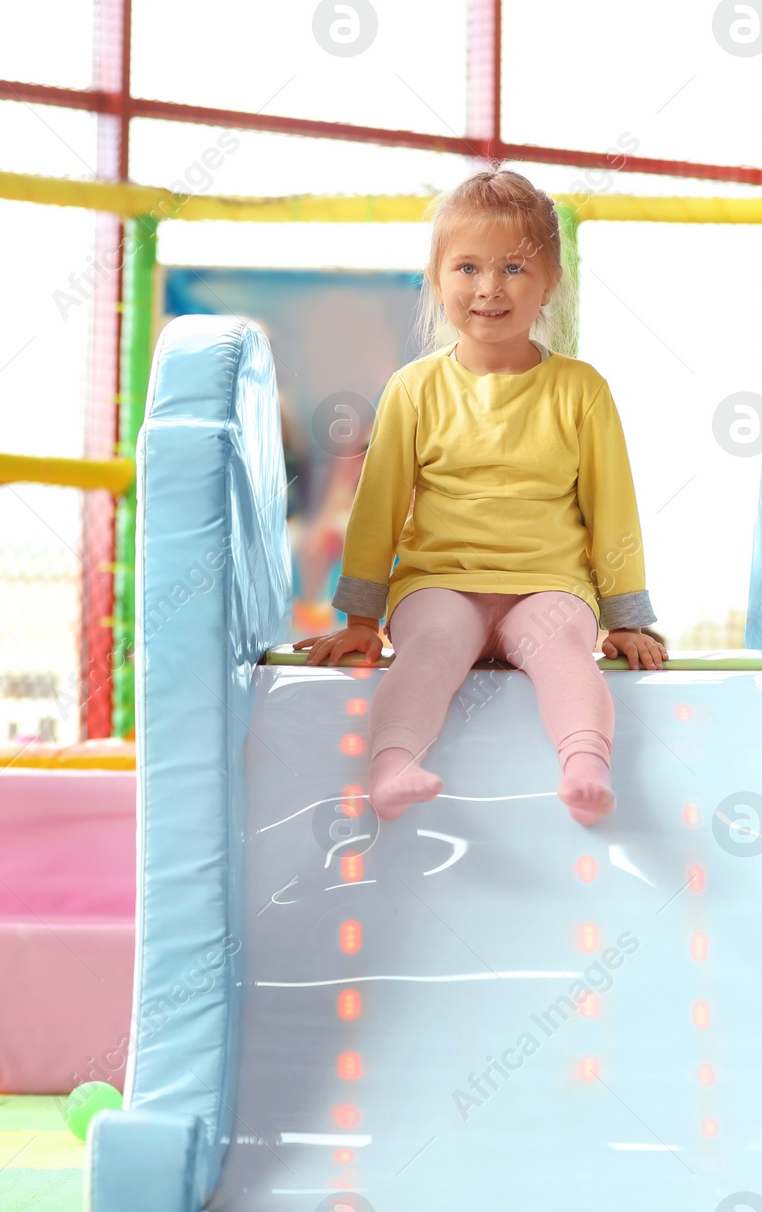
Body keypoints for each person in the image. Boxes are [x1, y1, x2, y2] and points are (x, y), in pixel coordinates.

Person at [297, 168, 664, 826]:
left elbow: (613, 509)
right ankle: (392, 767)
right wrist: (359, 616)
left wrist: (627, 616)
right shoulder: (415, 388)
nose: (489, 288)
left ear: (551, 281)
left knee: (562, 653)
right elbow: (378, 508)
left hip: (548, 585)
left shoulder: (581, 390)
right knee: (431, 647)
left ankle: (585, 765)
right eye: (467, 267)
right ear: (437, 281)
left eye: (515, 269)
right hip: (441, 583)